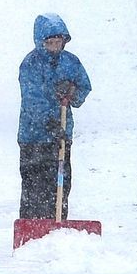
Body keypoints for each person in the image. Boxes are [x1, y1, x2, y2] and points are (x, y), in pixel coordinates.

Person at [17, 13, 91, 220]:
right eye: (50, 42)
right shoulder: (30, 64)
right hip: (33, 138)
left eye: (58, 42)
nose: (54, 46)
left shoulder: (71, 62)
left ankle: (57, 222)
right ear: (40, 42)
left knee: (59, 185)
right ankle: (32, 224)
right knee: (34, 187)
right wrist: (49, 123)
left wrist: (72, 91)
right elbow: (32, 98)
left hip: (61, 137)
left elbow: (84, 87)